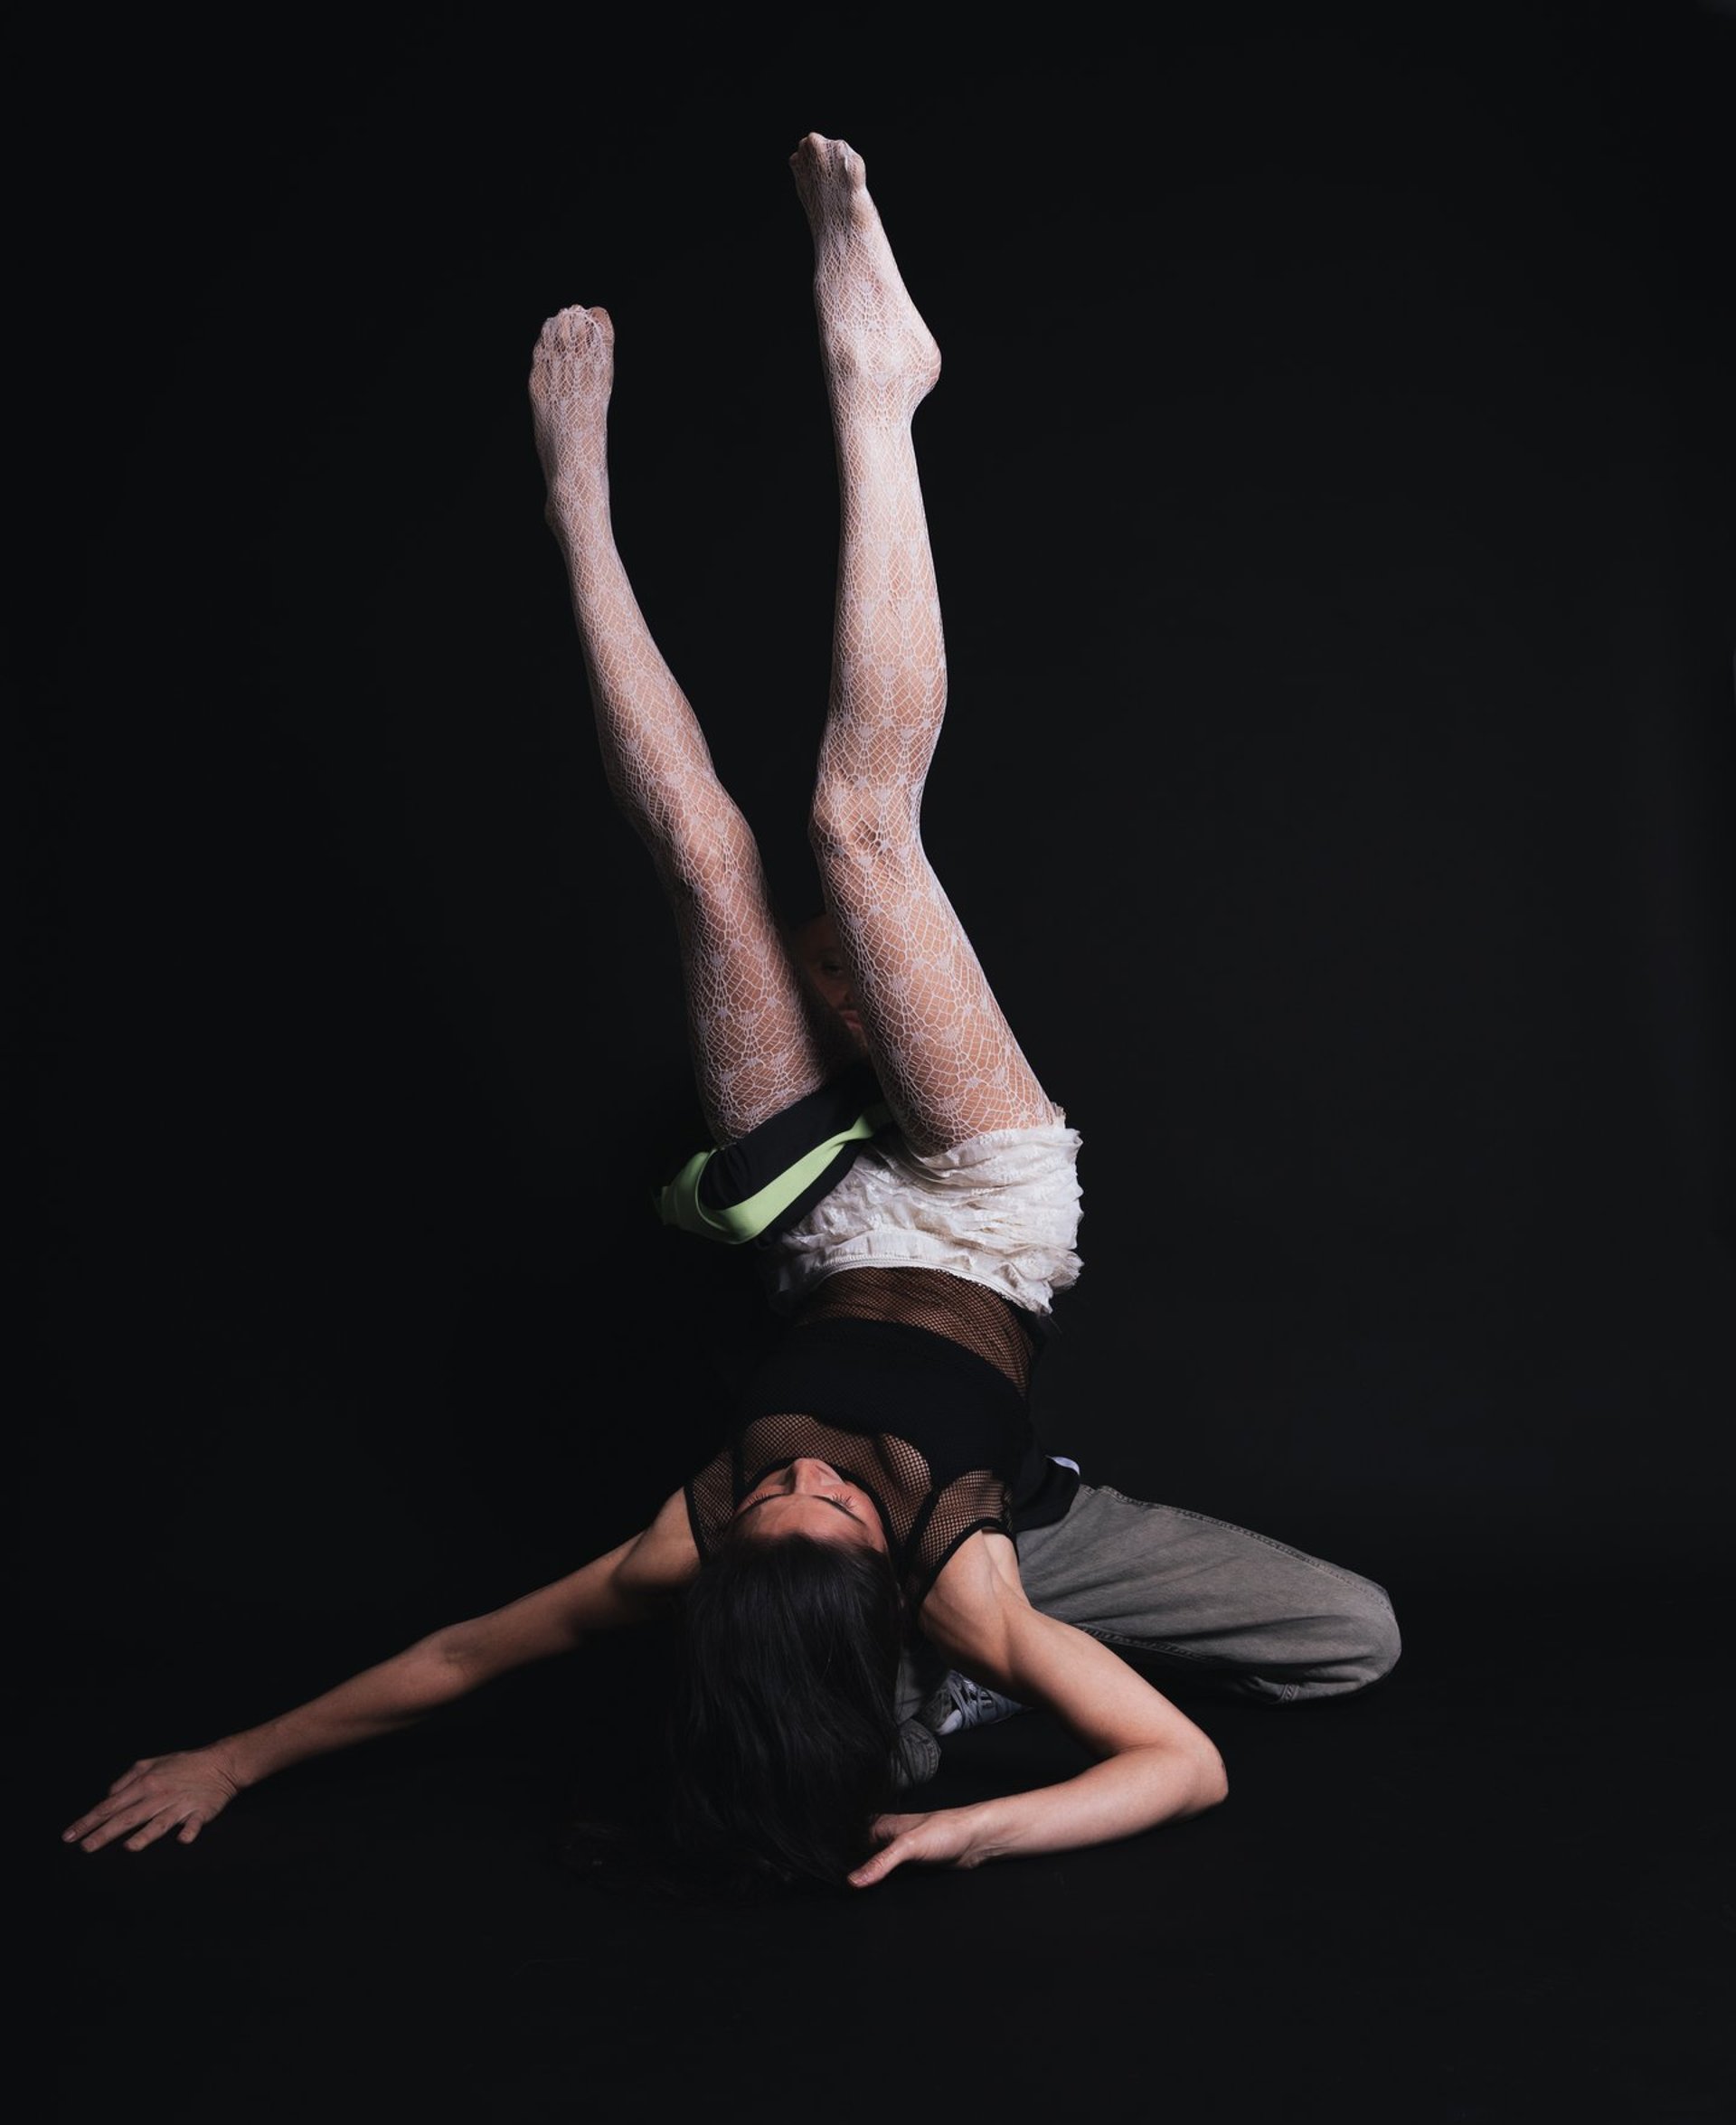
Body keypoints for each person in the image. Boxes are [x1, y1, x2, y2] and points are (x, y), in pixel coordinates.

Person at [61, 135, 1396, 1895]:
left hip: (825, 1224)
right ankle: (881, 393)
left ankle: (574, 515)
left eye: (784, 1504)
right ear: (887, 1578)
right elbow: (1181, 1765)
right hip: (988, 1225)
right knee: (859, 831)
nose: (811, 1486)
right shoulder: (959, 1578)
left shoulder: (679, 1553)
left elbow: (456, 1657)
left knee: (708, 861)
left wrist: (236, 1755)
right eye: (837, 1515)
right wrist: (973, 1827)